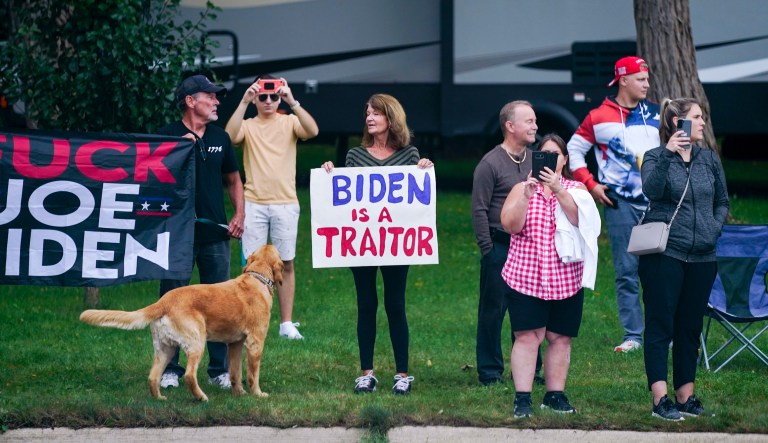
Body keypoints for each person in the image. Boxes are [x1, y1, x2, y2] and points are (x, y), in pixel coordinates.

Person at [321, 94, 433, 395]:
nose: (369, 118)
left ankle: (402, 374)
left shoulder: (410, 155)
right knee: (366, 304)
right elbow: (345, 199)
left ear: (391, 118)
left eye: (376, 113)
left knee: (396, 304)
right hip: (363, 244)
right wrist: (331, 174)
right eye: (367, 113)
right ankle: (367, 373)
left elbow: (415, 200)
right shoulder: (356, 156)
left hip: (396, 243)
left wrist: (425, 169)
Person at [638, 98, 729, 421]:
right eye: (697, 117)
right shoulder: (654, 157)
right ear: (678, 122)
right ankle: (660, 399)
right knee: (661, 325)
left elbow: (722, 201)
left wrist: (712, 230)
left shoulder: (709, 159)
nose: (702, 122)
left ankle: (685, 396)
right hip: (665, 254)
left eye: (702, 117)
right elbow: (651, 190)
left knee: (690, 328)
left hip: (703, 256)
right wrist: (668, 154)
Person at [500, 133, 600, 418]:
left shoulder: (576, 189)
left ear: (564, 160)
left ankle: (555, 395)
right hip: (526, 276)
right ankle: (523, 398)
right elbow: (510, 225)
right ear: (536, 157)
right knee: (528, 337)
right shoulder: (521, 188)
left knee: (560, 337)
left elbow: (584, 223)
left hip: (565, 280)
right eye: (545, 153)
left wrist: (558, 190)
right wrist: (526, 197)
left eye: (556, 154)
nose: (551, 159)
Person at [567, 56, 660, 353]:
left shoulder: (657, 115)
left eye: (647, 79)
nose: (647, 84)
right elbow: (574, 149)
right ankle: (634, 335)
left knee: (660, 270)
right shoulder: (598, 116)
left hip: (657, 205)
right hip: (620, 204)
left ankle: (661, 333)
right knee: (627, 270)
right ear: (623, 80)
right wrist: (591, 185)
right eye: (641, 79)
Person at [157, 74, 245, 390]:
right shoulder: (166, 136)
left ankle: (218, 370)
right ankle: (169, 369)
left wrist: (239, 214)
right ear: (191, 101)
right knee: (171, 301)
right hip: (176, 234)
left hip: (216, 234)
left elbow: (234, 180)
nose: (217, 101)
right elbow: (151, 177)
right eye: (211, 96)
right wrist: (177, 151)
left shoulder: (221, 137)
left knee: (221, 302)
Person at [225, 75, 319, 340]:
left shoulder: (290, 121)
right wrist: (243, 101)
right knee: (252, 264)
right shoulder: (248, 124)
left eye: (273, 96)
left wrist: (293, 101)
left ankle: (286, 323)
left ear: (279, 98)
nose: (268, 101)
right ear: (256, 97)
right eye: (263, 96)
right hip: (254, 203)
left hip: (286, 203)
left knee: (286, 262)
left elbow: (312, 131)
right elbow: (229, 137)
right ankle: (250, 316)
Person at [471, 100, 543, 386]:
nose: (535, 126)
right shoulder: (490, 164)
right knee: (493, 311)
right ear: (510, 126)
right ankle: (489, 371)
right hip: (500, 246)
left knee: (529, 311)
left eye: (535, 121)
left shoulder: (535, 159)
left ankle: (529, 370)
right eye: (529, 121)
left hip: (530, 246)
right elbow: (478, 210)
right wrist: (488, 251)